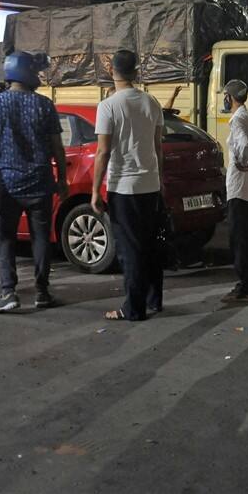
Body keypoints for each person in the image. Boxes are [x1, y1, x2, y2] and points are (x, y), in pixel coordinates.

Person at [0, 54, 68, 311]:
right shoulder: (45, 105)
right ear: (27, 73)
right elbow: (57, 148)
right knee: (40, 237)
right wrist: (62, 178)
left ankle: (8, 293)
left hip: (7, 181)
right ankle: (42, 292)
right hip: (40, 181)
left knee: (5, 237)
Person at [91, 50, 165, 321]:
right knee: (150, 245)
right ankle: (153, 300)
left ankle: (133, 308)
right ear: (137, 72)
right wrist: (161, 181)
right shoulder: (152, 102)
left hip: (124, 187)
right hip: (151, 184)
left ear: (112, 71)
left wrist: (95, 191)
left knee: (130, 249)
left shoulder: (109, 105)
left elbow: (103, 152)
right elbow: (158, 148)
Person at [220, 80, 248, 304]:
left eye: (225, 96)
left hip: (239, 188)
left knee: (239, 240)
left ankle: (245, 287)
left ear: (230, 97)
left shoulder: (238, 119)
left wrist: (239, 161)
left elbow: (244, 145)